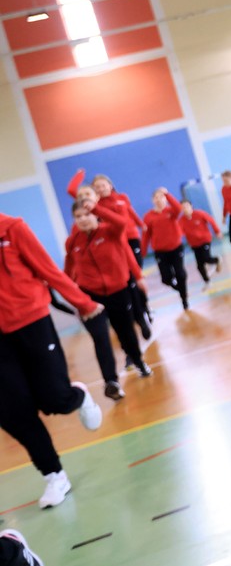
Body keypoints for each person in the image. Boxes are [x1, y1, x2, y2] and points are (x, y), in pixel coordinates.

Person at [1, 212, 105, 510]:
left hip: (32, 323)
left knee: (54, 399)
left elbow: (48, 270)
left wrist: (83, 303)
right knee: (12, 411)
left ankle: (78, 396)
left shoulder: (12, 228)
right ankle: (54, 475)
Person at [66, 198, 153, 379]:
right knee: (100, 336)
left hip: (118, 292)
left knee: (125, 332)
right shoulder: (73, 242)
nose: (83, 219)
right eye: (78, 216)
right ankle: (110, 381)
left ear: (95, 215)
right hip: (90, 296)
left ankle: (138, 361)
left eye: (87, 214)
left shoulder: (111, 231)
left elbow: (121, 222)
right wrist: (70, 290)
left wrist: (97, 208)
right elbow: (68, 269)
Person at [68, 171, 152, 341]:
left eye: (88, 194)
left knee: (133, 291)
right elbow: (73, 257)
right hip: (100, 279)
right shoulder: (79, 227)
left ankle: (142, 318)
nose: (84, 198)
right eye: (81, 196)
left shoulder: (107, 217)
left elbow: (125, 247)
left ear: (96, 197)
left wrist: (137, 274)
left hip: (120, 266)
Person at [142, 188, 189, 310]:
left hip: (176, 248)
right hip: (160, 252)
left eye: (161, 197)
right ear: (152, 200)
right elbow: (146, 235)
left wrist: (167, 194)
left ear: (165, 199)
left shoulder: (171, 211)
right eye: (156, 197)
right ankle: (180, 289)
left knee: (180, 274)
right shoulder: (148, 216)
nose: (158, 199)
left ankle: (184, 299)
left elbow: (178, 208)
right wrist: (143, 251)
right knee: (166, 278)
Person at [179, 200, 223, 289]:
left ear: (191, 206)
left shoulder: (199, 214)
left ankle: (217, 260)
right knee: (199, 265)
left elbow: (211, 221)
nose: (185, 209)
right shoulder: (181, 220)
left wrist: (217, 231)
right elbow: (179, 232)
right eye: (183, 207)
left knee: (206, 258)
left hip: (205, 240)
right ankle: (207, 282)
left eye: (186, 206)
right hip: (194, 244)